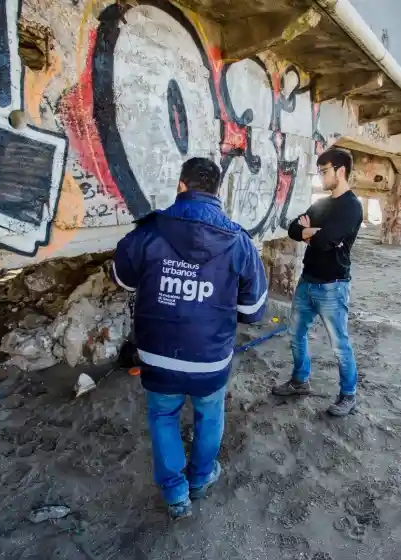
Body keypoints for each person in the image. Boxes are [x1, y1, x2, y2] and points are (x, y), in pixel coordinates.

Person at [111, 157, 268, 520]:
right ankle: (200, 478)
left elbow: (122, 278)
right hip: (210, 358)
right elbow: (255, 308)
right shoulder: (238, 241)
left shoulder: (150, 231)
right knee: (209, 414)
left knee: (163, 415)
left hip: (158, 354)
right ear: (217, 191)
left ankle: (175, 494)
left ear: (182, 186)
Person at [269, 149, 365, 416]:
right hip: (307, 281)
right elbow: (291, 228)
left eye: (325, 171)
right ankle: (300, 381)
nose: (321, 175)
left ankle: (348, 395)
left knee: (339, 345)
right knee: (296, 335)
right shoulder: (322, 204)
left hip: (333, 287)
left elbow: (324, 242)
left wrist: (310, 233)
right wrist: (313, 232)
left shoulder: (351, 206)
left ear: (341, 171)